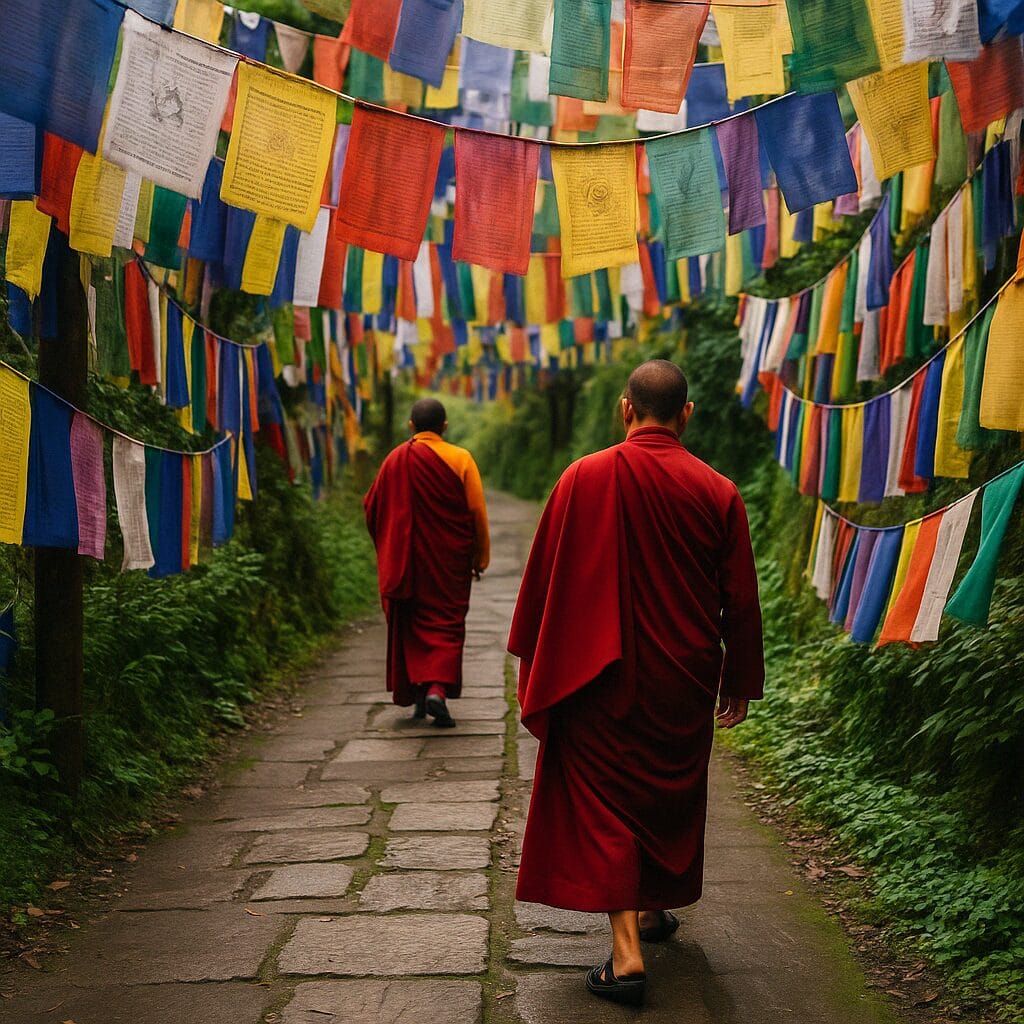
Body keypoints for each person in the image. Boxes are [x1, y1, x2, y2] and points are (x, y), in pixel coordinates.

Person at [508, 359, 764, 1007]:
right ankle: (642, 924)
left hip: (599, 675)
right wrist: (739, 676)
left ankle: (628, 955)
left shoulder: (581, 478)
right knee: (659, 793)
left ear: (626, 410)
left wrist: (537, 662)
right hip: (684, 676)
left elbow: (542, 583)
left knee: (606, 802)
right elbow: (740, 599)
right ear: (687, 414)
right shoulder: (718, 490)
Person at [364, 398, 490, 728]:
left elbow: (373, 509)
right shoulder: (460, 458)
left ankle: (419, 693)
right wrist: (481, 556)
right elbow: (476, 512)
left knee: (412, 625)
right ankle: (436, 689)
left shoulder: (394, 460)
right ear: (444, 427)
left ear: (411, 427)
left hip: (405, 562)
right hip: (448, 562)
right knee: (446, 625)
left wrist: (392, 546)